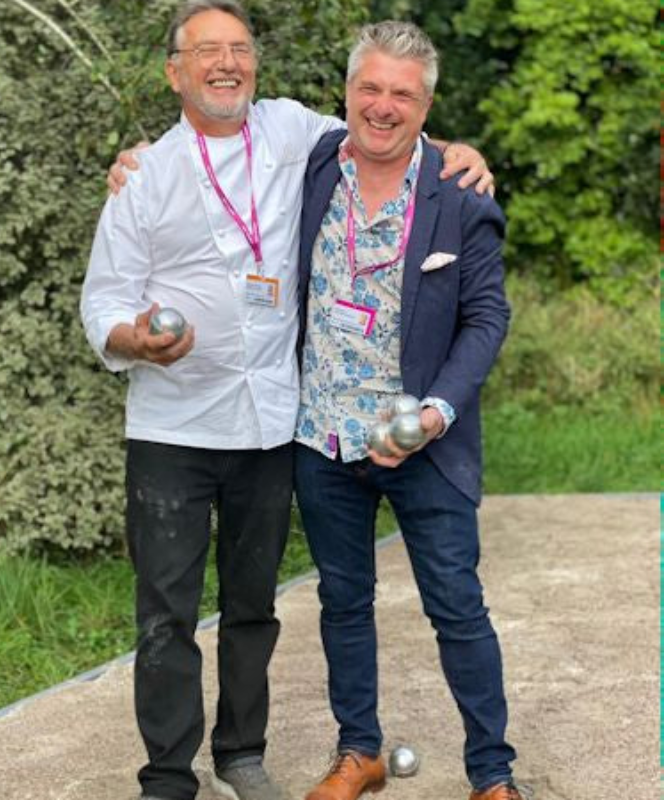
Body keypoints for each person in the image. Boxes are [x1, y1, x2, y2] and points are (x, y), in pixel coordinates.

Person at [84, 4, 493, 800]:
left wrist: (458, 153)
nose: (226, 64)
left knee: (252, 606)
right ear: (175, 71)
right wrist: (136, 337)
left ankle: (242, 753)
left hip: (273, 423)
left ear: (257, 66)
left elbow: (385, 125)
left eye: (240, 48)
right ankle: (168, 776)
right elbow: (102, 304)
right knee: (166, 614)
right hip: (172, 422)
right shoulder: (146, 175)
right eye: (207, 52)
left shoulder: (292, 130)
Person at [294, 21, 521, 800]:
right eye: (370, 88)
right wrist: (135, 163)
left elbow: (488, 318)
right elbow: (221, 141)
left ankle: (492, 774)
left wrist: (435, 413)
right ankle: (359, 753)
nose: (382, 106)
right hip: (322, 435)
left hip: (425, 440)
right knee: (342, 602)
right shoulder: (317, 164)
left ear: (427, 108)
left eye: (402, 93)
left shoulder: (460, 196)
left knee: (458, 608)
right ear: (348, 93)